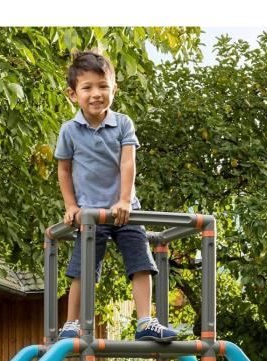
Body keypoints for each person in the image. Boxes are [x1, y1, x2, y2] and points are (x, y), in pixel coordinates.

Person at [54, 51, 178, 343]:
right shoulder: (69, 131)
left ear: (114, 89)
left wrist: (124, 200)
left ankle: (145, 321)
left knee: (142, 261)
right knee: (82, 268)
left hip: (125, 210)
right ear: (72, 94)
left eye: (103, 86)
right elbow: (64, 170)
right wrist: (71, 206)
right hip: (90, 213)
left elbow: (127, 163)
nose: (96, 94)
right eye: (87, 87)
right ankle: (72, 323)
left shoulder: (123, 124)